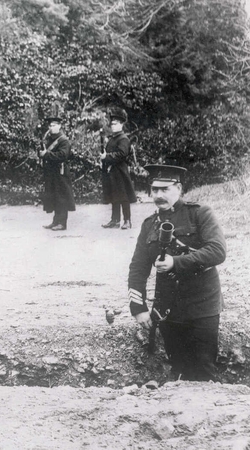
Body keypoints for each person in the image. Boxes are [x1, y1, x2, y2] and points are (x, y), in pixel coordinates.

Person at [128, 164, 227, 382]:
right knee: (179, 369)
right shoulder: (150, 225)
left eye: (165, 189)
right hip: (168, 308)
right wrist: (138, 307)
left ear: (179, 188)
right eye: (154, 190)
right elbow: (138, 266)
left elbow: (217, 251)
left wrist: (177, 262)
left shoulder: (199, 213)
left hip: (202, 305)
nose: (158, 195)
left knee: (204, 369)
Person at [100, 107, 137, 229]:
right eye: (112, 124)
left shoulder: (123, 139)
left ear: (121, 125)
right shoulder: (112, 138)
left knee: (123, 196)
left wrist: (107, 156)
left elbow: (122, 154)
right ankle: (115, 220)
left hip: (120, 171)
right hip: (112, 171)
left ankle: (127, 220)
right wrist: (104, 159)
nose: (113, 126)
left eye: (115, 124)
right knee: (114, 195)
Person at [39, 116, 76, 230]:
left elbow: (62, 155)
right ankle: (55, 221)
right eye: (50, 126)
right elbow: (44, 152)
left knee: (62, 197)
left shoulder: (63, 140)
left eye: (54, 125)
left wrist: (46, 154)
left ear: (59, 126)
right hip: (51, 172)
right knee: (54, 196)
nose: (51, 128)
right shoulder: (49, 139)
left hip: (61, 172)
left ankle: (62, 223)